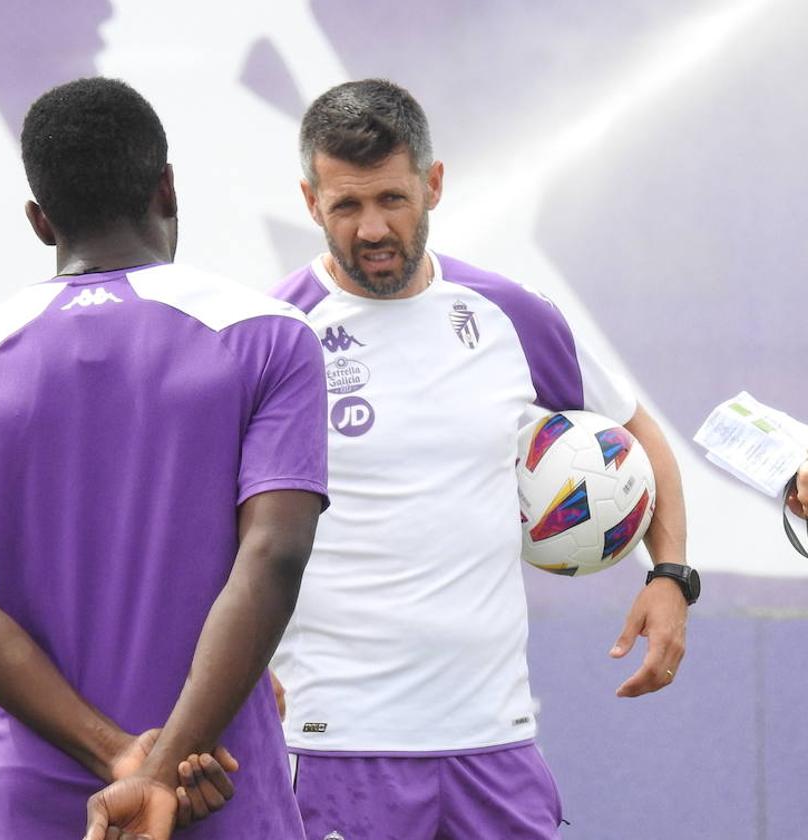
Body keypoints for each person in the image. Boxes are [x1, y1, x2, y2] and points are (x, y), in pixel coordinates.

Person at [0, 77, 328, 840]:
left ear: (39, 219)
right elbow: (274, 554)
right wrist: (162, 772)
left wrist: (120, 757)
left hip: (38, 804)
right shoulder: (268, 336)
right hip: (216, 784)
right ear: (166, 187)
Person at [268, 79, 696, 840]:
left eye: (393, 200)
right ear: (310, 202)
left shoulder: (511, 314)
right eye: (346, 206)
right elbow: (211, 525)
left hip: (494, 744)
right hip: (339, 746)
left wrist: (669, 576)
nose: (373, 228)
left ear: (433, 184)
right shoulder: (274, 337)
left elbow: (641, 437)